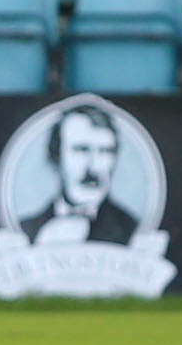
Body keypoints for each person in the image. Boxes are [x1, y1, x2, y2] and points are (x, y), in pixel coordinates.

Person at [18, 104, 138, 246]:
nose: (93, 166)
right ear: (55, 157)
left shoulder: (133, 231)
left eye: (105, 151)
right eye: (81, 150)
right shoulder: (26, 231)